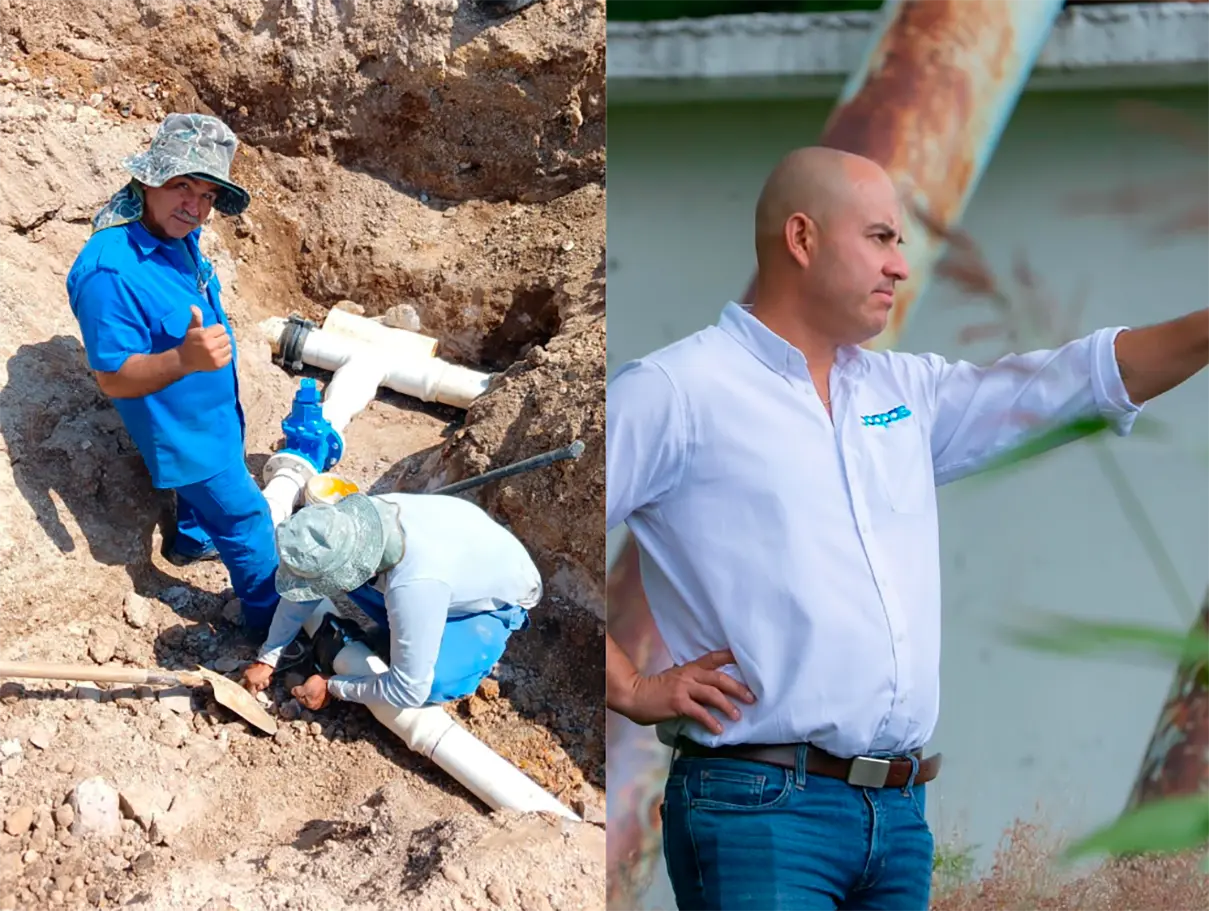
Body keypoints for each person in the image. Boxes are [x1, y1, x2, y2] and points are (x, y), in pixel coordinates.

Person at [605, 145, 1209, 910]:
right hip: (760, 809)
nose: (899, 264)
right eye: (880, 238)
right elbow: (536, 537)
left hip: (897, 817)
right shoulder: (676, 390)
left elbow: (1081, 381)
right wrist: (629, 685)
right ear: (802, 238)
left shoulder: (902, 391)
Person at [66, 112, 280, 633]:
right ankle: (270, 626)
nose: (195, 206)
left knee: (209, 506)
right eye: (182, 185)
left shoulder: (171, 232)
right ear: (148, 179)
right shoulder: (109, 271)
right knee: (248, 522)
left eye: (207, 195)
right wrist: (185, 360)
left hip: (213, 416)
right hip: (186, 436)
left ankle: (191, 540)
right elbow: (113, 378)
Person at [240, 491, 541, 711]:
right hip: (451, 571)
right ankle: (395, 634)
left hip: (489, 604)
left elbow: (409, 690)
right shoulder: (354, 524)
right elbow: (308, 585)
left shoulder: (415, 585)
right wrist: (269, 656)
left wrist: (333, 686)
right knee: (338, 582)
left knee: (436, 683)